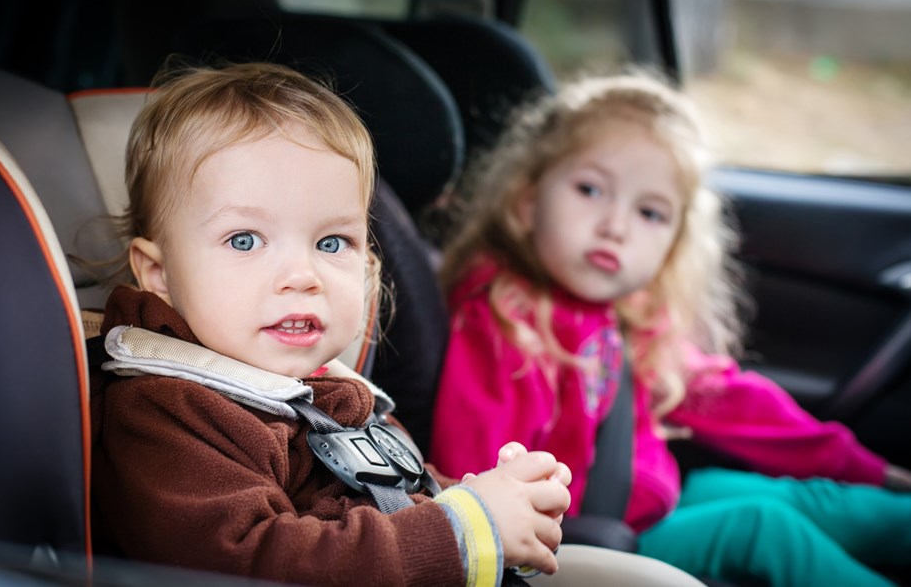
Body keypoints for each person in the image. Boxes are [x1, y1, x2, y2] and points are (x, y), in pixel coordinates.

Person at [88, 61, 706, 587]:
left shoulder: (329, 390)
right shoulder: (168, 408)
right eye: (245, 240)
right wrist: (464, 528)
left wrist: (487, 494)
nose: (302, 275)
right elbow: (247, 563)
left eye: (333, 243)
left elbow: (395, 490)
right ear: (159, 273)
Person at [428, 71, 911, 587]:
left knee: (811, 500)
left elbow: (736, 404)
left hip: (652, 500)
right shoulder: (505, 320)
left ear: (672, 245)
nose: (615, 225)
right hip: (588, 540)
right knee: (762, 527)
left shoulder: (626, 313)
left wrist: (872, 470)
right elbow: (477, 478)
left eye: (650, 213)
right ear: (527, 204)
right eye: (590, 189)